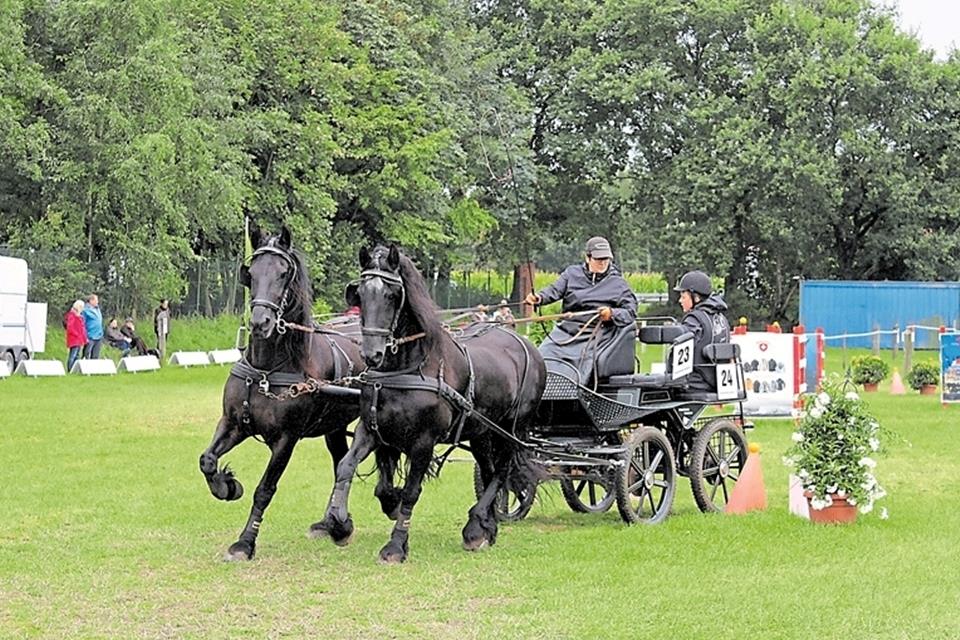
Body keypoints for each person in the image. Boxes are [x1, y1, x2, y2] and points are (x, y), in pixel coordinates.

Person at [524, 236, 638, 384]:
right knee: (542, 357)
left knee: (581, 365)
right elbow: (555, 290)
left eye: (606, 259)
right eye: (598, 259)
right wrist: (539, 298)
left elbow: (631, 311)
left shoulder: (618, 283)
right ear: (587, 258)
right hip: (566, 331)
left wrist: (612, 314)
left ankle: (572, 391)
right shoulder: (571, 274)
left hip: (596, 334)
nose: (603, 263)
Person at [674, 270, 731, 390]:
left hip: (697, 381)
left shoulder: (694, 319)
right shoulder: (721, 317)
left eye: (683, 297)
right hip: (720, 381)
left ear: (695, 297)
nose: (680, 301)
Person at [65, 300, 88, 371]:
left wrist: (84, 338)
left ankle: (74, 369)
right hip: (74, 339)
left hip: (79, 339)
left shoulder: (80, 316)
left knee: (77, 355)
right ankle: (70, 369)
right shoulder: (72, 315)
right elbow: (70, 327)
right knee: (73, 355)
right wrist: (77, 334)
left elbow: (82, 328)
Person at [81, 294, 104, 359]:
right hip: (90, 336)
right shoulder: (85, 310)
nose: (97, 302)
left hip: (99, 335)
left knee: (96, 355)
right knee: (87, 354)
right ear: (91, 301)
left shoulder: (97, 309)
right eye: (96, 300)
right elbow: (82, 323)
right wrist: (85, 335)